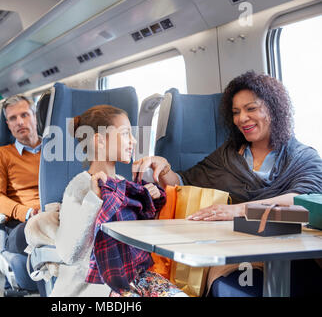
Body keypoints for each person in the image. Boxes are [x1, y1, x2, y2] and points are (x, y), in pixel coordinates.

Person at [133, 71, 322, 296]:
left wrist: (238, 210)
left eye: (251, 109)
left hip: (291, 256)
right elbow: (185, 182)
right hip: (236, 255)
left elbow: (304, 203)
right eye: (236, 112)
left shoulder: (304, 157)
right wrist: (165, 168)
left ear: (273, 108)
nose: (242, 118)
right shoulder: (228, 155)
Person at [46, 105, 185, 297]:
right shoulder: (79, 186)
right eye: (126, 134)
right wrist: (93, 199)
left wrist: (150, 199)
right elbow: (69, 253)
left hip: (134, 275)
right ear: (100, 141)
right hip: (97, 285)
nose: (134, 141)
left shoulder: (124, 184)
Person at [0, 94, 41, 291]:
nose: (19, 122)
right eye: (12, 118)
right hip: (21, 224)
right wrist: (26, 212)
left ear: (35, 117)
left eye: (24, 115)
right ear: (8, 125)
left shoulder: (55, 150)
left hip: (56, 217)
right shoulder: (1, 155)